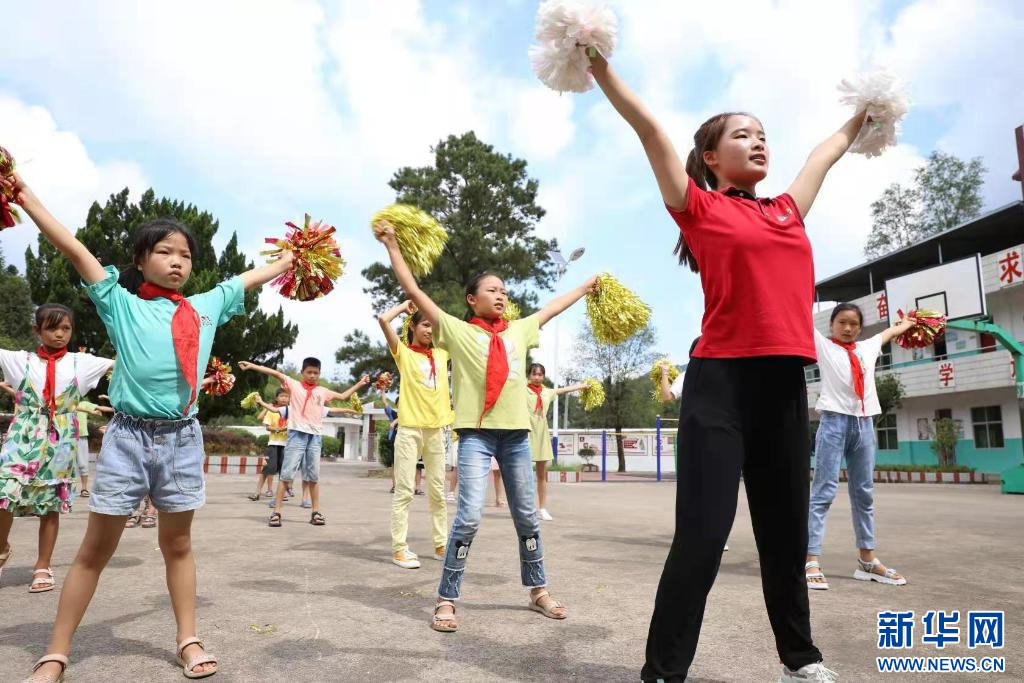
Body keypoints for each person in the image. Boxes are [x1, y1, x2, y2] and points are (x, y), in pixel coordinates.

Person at [590, 49, 870, 682]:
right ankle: (664, 672)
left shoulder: (786, 210)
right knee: (702, 535)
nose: (758, 141)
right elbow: (649, 129)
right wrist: (599, 68)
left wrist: (867, 113)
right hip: (720, 384)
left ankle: (800, 659)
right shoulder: (698, 207)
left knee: (784, 536)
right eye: (742, 135)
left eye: (762, 134)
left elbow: (825, 153)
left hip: (783, 386)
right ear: (712, 157)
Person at [2, 169, 296, 682]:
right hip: (127, 439)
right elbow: (72, 247)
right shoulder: (121, 304)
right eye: (164, 251)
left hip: (182, 438)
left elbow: (251, 277)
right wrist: (23, 196)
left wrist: (293, 259)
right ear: (140, 261)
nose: (177, 261)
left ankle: (188, 639)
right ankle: (56, 652)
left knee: (178, 545)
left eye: (185, 255)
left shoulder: (206, 307)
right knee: (95, 550)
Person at [374, 217, 596, 633]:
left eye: (504, 291)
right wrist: (391, 245)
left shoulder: (519, 330)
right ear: (472, 299)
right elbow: (414, 292)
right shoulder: (456, 332)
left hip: (516, 438)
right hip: (475, 437)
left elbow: (551, 307)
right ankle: (446, 597)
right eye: (492, 290)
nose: (501, 295)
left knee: (527, 516)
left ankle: (538, 590)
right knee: (468, 517)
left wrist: (585, 288)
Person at [0, 305, 114, 595]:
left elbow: (127, 363)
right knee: (4, 492)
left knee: (50, 505)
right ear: (37, 330)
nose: (60, 334)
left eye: (66, 328)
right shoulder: (18, 360)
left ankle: (43, 565)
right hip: (24, 434)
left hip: (60, 437)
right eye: (52, 328)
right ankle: (1, 548)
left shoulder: (82, 363)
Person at [806, 303, 915, 591]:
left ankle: (867, 561)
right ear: (831, 325)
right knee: (823, 491)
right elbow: (799, 315)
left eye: (853, 323)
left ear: (860, 328)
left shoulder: (867, 347)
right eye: (841, 322)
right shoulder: (824, 346)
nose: (847, 328)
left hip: (864, 426)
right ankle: (811, 559)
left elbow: (890, 332)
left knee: (864, 493)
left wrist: (907, 324)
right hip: (834, 423)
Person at [237, 359, 369, 528]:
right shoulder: (294, 385)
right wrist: (252, 366)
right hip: (296, 436)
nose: (312, 375)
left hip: (315, 438)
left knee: (313, 477)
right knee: (286, 475)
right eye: (309, 372)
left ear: (319, 374)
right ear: (302, 372)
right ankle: (276, 512)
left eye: (316, 373)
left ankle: (316, 512)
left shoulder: (322, 391)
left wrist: (360, 383)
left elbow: (343, 397)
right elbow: (275, 373)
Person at [378, 300, 454, 569]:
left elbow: (460, 333)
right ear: (413, 327)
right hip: (410, 430)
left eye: (433, 327)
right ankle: (399, 549)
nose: (430, 330)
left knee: (437, 491)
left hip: (436, 430)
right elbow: (383, 321)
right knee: (405, 491)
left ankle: (441, 545)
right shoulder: (404, 354)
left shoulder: (442, 354)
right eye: (425, 325)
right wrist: (403, 306)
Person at [525, 363, 585, 522]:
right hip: (525, 433)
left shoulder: (547, 392)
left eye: (540, 374)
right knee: (523, 475)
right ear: (529, 375)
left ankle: (542, 509)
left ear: (543, 376)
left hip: (542, 434)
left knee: (541, 475)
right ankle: (526, 509)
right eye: (534, 374)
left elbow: (564, 390)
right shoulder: (522, 390)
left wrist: (583, 386)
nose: (537, 377)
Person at [249, 388, 290, 501]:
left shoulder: (292, 411)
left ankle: (282, 494)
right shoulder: (272, 411)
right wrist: (278, 429)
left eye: (286, 396)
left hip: (287, 445)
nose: (284, 398)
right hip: (273, 444)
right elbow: (267, 427)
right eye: (281, 396)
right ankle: (257, 492)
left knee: (284, 471)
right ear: (276, 398)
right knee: (268, 468)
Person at [72, 395, 111, 498]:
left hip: (81, 437)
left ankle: (84, 489)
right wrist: (92, 412)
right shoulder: (65, 403)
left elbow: (100, 408)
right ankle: (66, 490)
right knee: (67, 465)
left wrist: (114, 409)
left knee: (83, 464)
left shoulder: (83, 403)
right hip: (67, 437)